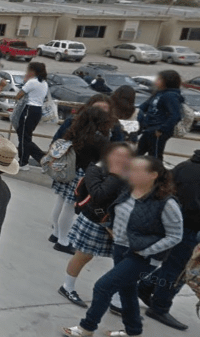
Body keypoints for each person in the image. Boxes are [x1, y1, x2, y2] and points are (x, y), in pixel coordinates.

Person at [63, 156, 183, 337]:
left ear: (153, 175)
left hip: (143, 256)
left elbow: (175, 235)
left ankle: (86, 328)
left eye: (137, 170)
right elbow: (116, 213)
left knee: (103, 286)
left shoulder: (167, 203)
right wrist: (111, 230)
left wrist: (146, 251)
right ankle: (133, 331)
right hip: (120, 249)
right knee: (127, 290)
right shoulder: (128, 190)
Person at [137, 138, 200, 331]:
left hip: (181, 227)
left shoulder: (196, 167)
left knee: (173, 267)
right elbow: (192, 212)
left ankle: (145, 287)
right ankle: (159, 308)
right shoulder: (199, 175)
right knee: (178, 271)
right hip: (185, 229)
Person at [58, 142, 133, 309]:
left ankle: (116, 300)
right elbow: (99, 195)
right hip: (95, 219)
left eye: (126, 156)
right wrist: (114, 175)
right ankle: (67, 287)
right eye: (118, 156)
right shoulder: (95, 169)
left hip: (118, 224)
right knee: (84, 255)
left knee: (121, 262)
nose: (122, 160)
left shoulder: (129, 173)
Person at [50, 103, 115, 255]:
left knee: (60, 202)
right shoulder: (99, 139)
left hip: (67, 169)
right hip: (81, 175)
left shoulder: (74, 131)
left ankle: (56, 234)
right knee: (69, 208)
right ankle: (63, 241)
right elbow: (106, 159)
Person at [136, 70, 183, 159]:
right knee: (137, 153)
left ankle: (157, 169)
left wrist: (161, 129)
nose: (156, 81)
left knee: (155, 156)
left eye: (159, 79)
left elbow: (175, 115)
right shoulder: (158, 93)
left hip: (158, 131)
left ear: (167, 81)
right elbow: (144, 106)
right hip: (149, 129)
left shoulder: (170, 96)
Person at [13, 61, 49, 169]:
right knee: (25, 137)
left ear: (33, 71)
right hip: (37, 111)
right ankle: (32, 160)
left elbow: (18, 95)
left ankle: (26, 162)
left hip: (28, 110)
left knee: (24, 138)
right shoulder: (44, 82)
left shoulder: (32, 82)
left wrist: (25, 81)